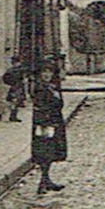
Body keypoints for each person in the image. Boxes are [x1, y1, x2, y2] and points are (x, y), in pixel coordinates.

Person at [30, 60, 67, 194]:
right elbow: (40, 106)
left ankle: (46, 180)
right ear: (39, 74)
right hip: (45, 124)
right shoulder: (40, 88)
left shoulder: (51, 86)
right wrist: (46, 123)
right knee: (45, 152)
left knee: (51, 151)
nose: (47, 74)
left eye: (49, 71)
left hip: (54, 121)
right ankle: (42, 183)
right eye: (44, 71)